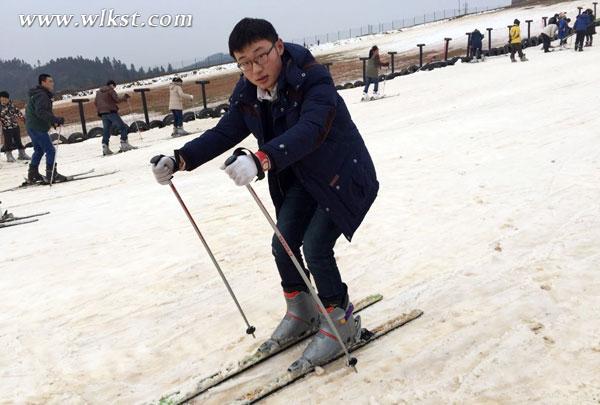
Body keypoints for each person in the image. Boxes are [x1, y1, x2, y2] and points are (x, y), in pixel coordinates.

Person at [151, 18, 379, 370]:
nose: (255, 69)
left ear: (279, 47)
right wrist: (180, 158)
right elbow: (225, 131)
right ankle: (302, 310)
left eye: (261, 56)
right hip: (303, 179)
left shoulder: (313, 80)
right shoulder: (247, 94)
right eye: (244, 62)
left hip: (343, 175)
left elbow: (311, 129)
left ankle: (341, 321)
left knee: (316, 247)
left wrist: (262, 158)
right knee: (282, 244)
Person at [24, 74, 66, 183]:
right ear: (43, 82)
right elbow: (41, 112)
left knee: (39, 150)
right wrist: (56, 119)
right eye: (50, 81)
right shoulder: (42, 95)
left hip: (32, 126)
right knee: (50, 150)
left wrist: (52, 121)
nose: (53, 83)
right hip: (37, 127)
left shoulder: (37, 94)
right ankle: (51, 174)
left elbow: (42, 111)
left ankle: (33, 174)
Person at [94, 80, 135, 155]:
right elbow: (117, 100)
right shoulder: (110, 90)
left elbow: (95, 103)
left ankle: (105, 147)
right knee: (123, 127)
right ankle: (124, 144)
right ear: (112, 85)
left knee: (106, 130)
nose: (114, 88)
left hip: (102, 113)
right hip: (111, 112)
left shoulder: (98, 92)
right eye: (114, 86)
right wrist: (124, 97)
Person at [0, 91, 30, 162]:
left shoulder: (12, 105)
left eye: (5, 99)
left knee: (18, 140)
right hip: (6, 127)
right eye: (2, 99)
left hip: (15, 126)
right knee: (8, 141)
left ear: (8, 99)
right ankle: (9, 155)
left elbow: (18, 113)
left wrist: (23, 119)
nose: (4, 100)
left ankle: (22, 154)